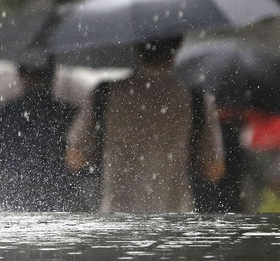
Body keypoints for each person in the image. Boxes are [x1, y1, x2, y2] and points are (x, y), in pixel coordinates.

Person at [66, 37, 225, 213]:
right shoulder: (196, 99)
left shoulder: (106, 94)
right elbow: (213, 170)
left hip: (118, 223)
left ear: (135, 46)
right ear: (179, 45)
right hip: (175, 221)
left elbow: (75, 159)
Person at [0, 56, 78, 211]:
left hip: (12, 199)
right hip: (62, 199)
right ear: (53, 76)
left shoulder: (1, 114)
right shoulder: (70, 112)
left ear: (20, 75)